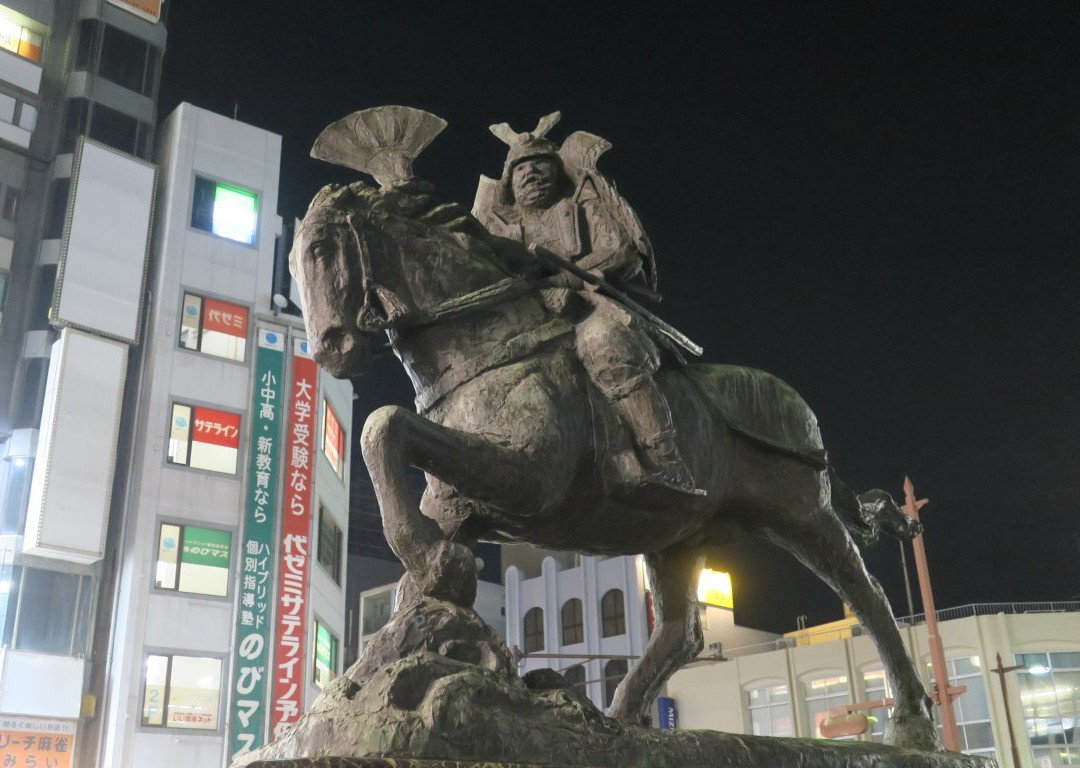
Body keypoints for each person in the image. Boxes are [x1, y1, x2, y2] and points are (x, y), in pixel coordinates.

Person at [474, 114, 704, 498]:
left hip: (587, 307)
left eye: (540, 166)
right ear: (509, 185)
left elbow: (619, 252)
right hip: (523, 318)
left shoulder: (582, 204)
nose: (531, 174)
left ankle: (665, 459)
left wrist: (570, 277)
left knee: (607, 346)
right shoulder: (497, 229)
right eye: (521, 170)